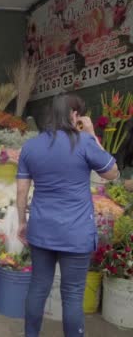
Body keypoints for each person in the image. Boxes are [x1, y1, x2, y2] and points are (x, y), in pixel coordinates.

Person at [16, 95, 119, 337]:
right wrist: (92, 134)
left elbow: (21, 191)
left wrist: (22, 222)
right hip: (76, 233)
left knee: (38, 287)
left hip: (41, 230)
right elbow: (112, 173)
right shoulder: (84, 142)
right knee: (72, 293)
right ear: (73, 114)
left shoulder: (30, 146)